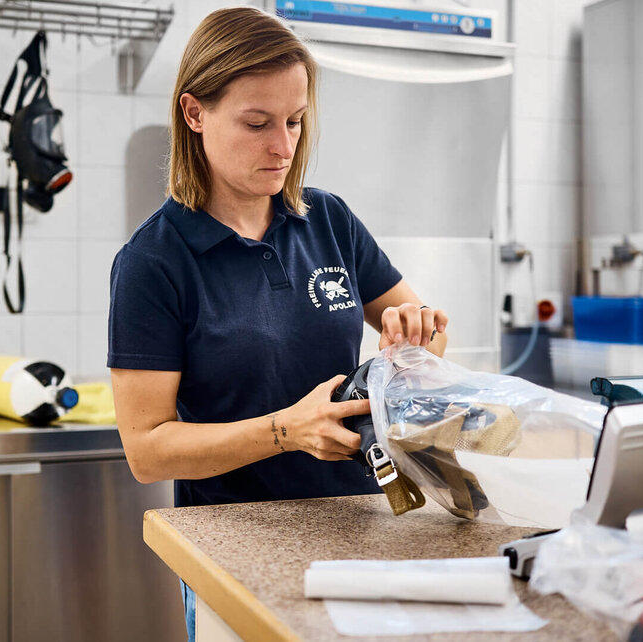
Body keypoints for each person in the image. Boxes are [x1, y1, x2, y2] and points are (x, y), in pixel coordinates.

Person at [107, 6, 449, 638]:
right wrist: (286, 431)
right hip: (237, 543)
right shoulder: (153, 263)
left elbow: (420, 328)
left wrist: (416, 331)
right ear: (194, 114)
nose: (284, 146)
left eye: (295, 121)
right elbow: (147, 451)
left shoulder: (329, 220)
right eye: (257, 123)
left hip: (364, 522)